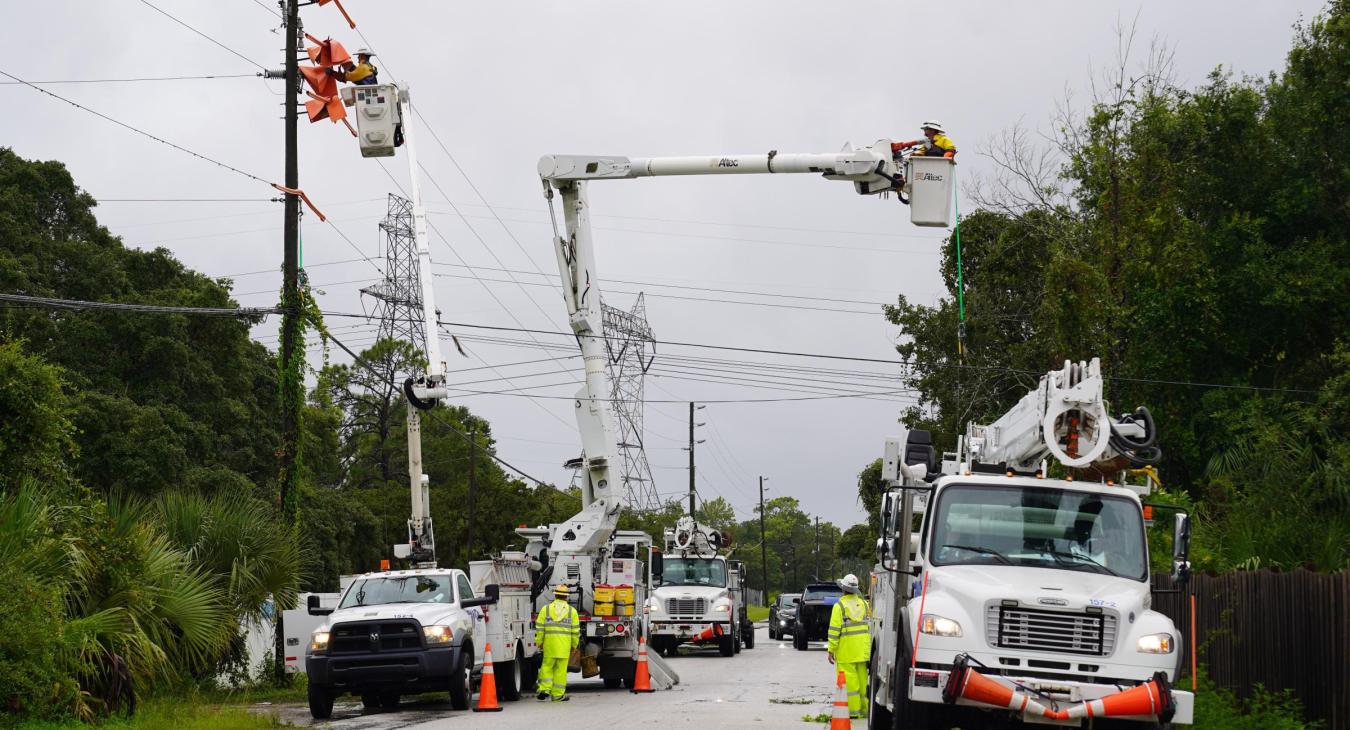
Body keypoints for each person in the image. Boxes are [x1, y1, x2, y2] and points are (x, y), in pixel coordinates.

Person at [827, 574, 871, 719]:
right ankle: (865, 710)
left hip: (846, 652)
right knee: (863, 681)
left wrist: (831, 650)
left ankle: (853, 712)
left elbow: (834, 631)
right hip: (863, 651)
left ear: (843, 589)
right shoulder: (864, 604)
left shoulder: (839, 606)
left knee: (850, 684)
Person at [535, 584, 580, 702]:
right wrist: (574, 645)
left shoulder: (546, 609)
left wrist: (539, 641)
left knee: (546, 667)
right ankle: (557, 695)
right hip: (564, 647)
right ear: (566, 597)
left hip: (549, 645)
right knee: (560, 671)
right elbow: (575, 631)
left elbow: (540, 627)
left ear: (555, 595)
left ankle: (544, 689)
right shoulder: (572, 612)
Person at [892, 120, 956, 159]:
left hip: (938, 166)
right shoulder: (927, 141)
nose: (924, 130)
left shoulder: (944, 139)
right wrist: (913, 156)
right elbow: (922, 152)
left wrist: (944, 159)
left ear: (933, 130)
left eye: (926, 128)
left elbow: (951, 150)